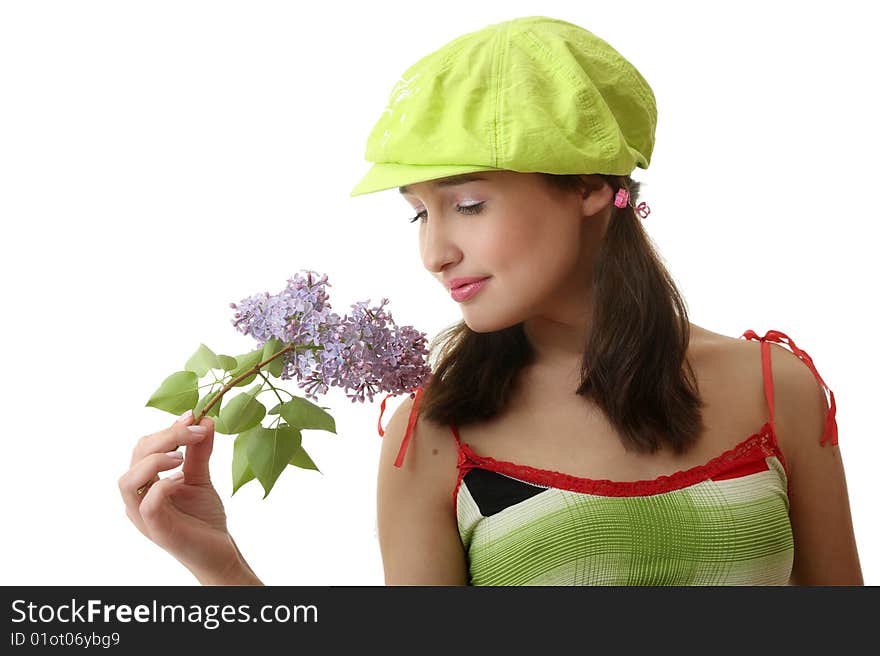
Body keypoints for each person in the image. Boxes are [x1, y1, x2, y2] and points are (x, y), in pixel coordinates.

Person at [119, 15, 863, 585]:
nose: (434, 252)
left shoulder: (778, 391)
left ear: (593, 187)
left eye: (468, 204)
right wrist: (221, 568)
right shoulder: (434, 433)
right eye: (419, 211)